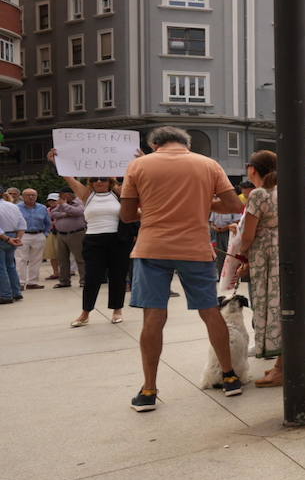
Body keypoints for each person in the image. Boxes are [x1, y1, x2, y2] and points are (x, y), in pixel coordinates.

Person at [120, 126, 245, 411]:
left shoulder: (138, 166)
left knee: (153, 316)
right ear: (186, 144)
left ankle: (149, 390)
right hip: (195, 248)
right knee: (210, 312)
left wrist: (150, 209)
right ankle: (229, 376)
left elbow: (127, 215)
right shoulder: (207, 164)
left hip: (152, 247)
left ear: (154, 144)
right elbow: (232, 204)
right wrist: (201, 205)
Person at [49, 158, 128, 327]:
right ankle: (85, 313)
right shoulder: (86, 195)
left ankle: (117, 310)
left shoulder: (119, 193)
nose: (99, 181)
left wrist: (141, 158)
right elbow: (68, 177)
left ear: (110, 181)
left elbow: (136, 176)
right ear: (90, 182)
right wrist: (57, 161)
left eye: (103, 178)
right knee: (92, 277)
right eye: (94, 179)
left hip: (117, 239)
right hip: (93, 240)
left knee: (117, 276)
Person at [236, 151, 284, 385]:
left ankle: (280, 363)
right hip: (281, 251)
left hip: (263, 255)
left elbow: (248, 234)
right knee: (280, 304)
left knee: (265, 302)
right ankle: (281, 363)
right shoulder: (281, 191)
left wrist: (242, 256)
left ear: (253, 169)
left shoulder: (258, 194)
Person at [48, 189, 87, 288]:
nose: (62, 198)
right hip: (61, 235)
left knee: (80, 258)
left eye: (64, 195)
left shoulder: (78, 202)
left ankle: (84, 281)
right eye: (61, 196)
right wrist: (65, 214)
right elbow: (53, 214)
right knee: (62, 259)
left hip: (76, 234)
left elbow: (78, 212)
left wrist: (65, 206)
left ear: (70, 194)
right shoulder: (60, 205)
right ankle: (64, 281)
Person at [15, 188, 50, 290]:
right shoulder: (17, 207)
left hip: (39, 235)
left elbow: (48, 222)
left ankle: (32, 282)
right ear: (22, 196)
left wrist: (45, 234)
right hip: (23, 235)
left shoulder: (42, 207)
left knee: (36, 259)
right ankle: (20, 283)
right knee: (21, 259)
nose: (31, 197)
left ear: (36, 196)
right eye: (28, 195)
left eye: (33, 195)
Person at [0, 190, 25, 304]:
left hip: (3, 237)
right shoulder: (12, 206)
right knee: (10, 265)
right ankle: (16, 292)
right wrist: (18, 237)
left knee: (2, 268)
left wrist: (8, 239)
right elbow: (21, 223)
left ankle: (5, 295)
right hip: (13, 235)